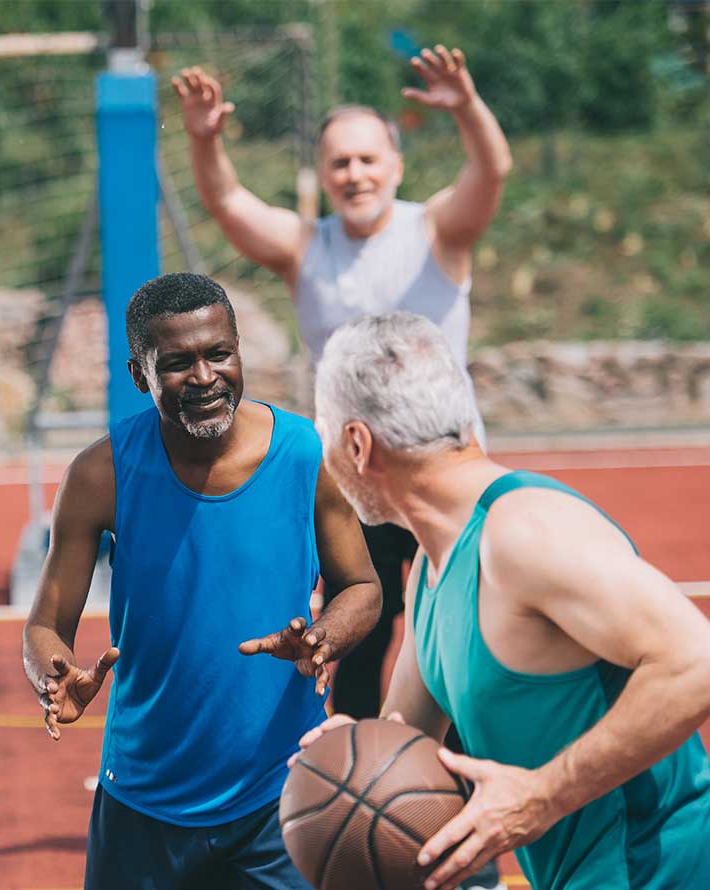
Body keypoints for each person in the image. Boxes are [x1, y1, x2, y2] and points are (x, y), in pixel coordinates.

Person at [296, 312, 710, 890]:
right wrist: (352, 755)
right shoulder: (431, 572)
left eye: (323, 431)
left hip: (666, 873)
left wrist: (541, 796)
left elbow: (708, 664)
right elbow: (404, 743)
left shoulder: (524, 532)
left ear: (358, 444)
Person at [173, 43, 514, 724]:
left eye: (367, 160)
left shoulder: (438, 230)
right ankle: (361, 779)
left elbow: (492, 169)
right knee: (357, 633)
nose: (355, 174)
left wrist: (468, 107)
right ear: (324, 175)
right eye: (340, 163)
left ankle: (473, 779)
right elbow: (226, 200)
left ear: (396, 166)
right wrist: (204, 140)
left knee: (466, 634)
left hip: (449, 465)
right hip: (356, 479)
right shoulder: (308, 247)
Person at [21, 272, 382, 889]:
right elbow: (46, 625)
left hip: (279, 795)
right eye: (177, 363)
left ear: (239, 352)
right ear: (140, 376)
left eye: (219, 354)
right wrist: (54, 674)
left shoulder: (305, 454)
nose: (205, 377)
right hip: (142, 799)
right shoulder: (99, 475)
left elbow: (362, 588)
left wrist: (323, 638)